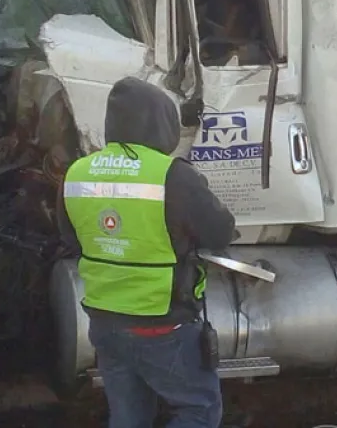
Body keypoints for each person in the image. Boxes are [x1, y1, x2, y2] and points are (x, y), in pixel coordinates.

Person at [56, 76, 236, 428]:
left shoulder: (76, 172)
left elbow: (71, 239)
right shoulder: (171, 175)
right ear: (161, 123)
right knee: (199, 411)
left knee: (128, 416)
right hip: (161, 322)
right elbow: (219, 233)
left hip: (105, 321)